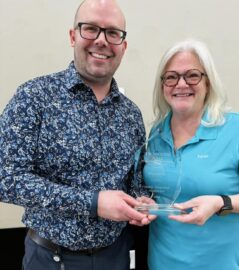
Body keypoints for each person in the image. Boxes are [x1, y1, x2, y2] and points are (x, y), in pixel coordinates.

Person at [0, 0, 151, 269]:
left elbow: (136, 180)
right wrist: (92, 202)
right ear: (73, 36)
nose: (102, 41)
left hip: (115, 256)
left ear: (123, 46)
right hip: (50, 259)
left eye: (113, 33)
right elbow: (6, 179)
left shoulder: (131, 114)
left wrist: (142, 202)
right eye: (91, 28)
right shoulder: (34, 97)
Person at [141, 39, 239, 270]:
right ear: (162, 86)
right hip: (161, 263)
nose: (181, 84)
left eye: (192, 75)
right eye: (171, 77)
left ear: (208, 82)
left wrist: (222, 202)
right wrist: (147, 203)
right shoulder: (157, 132)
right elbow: (164, 191)